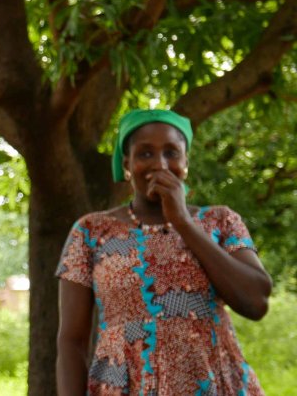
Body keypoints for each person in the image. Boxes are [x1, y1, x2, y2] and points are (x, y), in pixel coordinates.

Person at [56, 109, 273, 395]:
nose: (160, 164)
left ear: (186, 162)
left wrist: (182, 221)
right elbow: (71, 342)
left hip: (214, 384)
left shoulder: (220, 221)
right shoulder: (90, 232)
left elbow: (256, 301)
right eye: (145, 154)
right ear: (127, 164)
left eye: (172, 153)